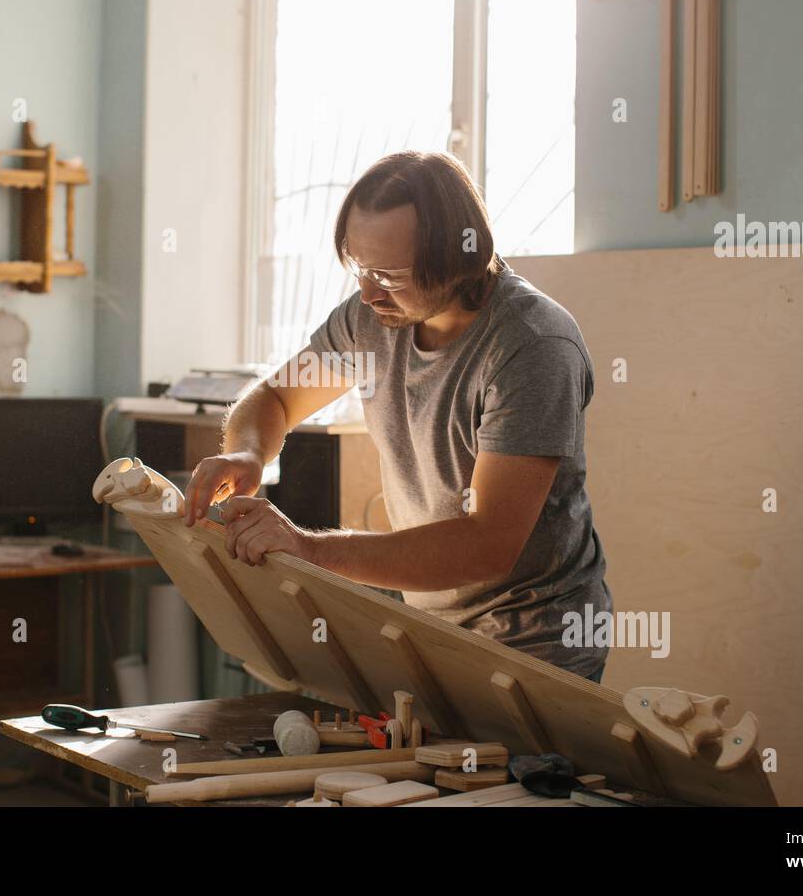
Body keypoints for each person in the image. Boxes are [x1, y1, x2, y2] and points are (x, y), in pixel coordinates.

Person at [182, 151, 611, 682]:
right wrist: (247, 451)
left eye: (388, 274)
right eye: (359, 269)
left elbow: (488, 546)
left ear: (457, 259)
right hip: (430, 626)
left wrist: (307, 547)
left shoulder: (531, 346)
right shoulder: (372, 320)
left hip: (536, 641)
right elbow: (273, 399)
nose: (366, 292)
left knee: (517, 769)